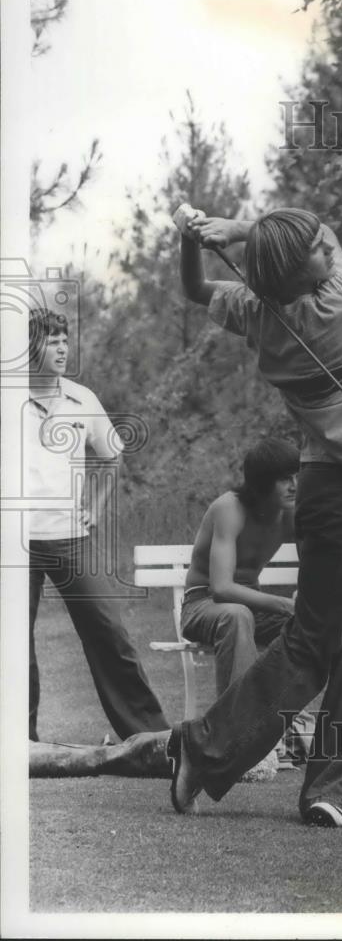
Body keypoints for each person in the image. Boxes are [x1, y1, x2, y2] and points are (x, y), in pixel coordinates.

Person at [167, 206, 342, 827]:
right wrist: (238, 229)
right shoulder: (337, 307)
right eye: (315, 257)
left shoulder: (258, 313)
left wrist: (191, 238)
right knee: (319, 640)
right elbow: (324, 227)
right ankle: (208, 747)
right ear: (303, 274)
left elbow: (194, 289)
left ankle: (333, 788)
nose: (326, 255)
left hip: (338, 482)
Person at [26, 308, 168, 743]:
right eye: (52, 340)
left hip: (71, 537)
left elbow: (111, 455)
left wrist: (97, 506)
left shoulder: (82, 398)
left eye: (65, 338)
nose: (63, 347)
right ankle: (17, 741)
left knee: (110, 633)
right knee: (10, 646)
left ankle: (149, 738)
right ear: (29, 346)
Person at [180, 439, 300, 698]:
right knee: (237, 615)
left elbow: (318, 567)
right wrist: (285, 604)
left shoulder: (291, 513)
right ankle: (236, 726)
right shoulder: (230, 508)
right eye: (284, 479)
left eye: (296, 476)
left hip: (252, 611)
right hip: (203, 604)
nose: (294, 486)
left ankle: (288, 716)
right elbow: (221, 588)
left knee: (314, 626)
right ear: (263, 482)